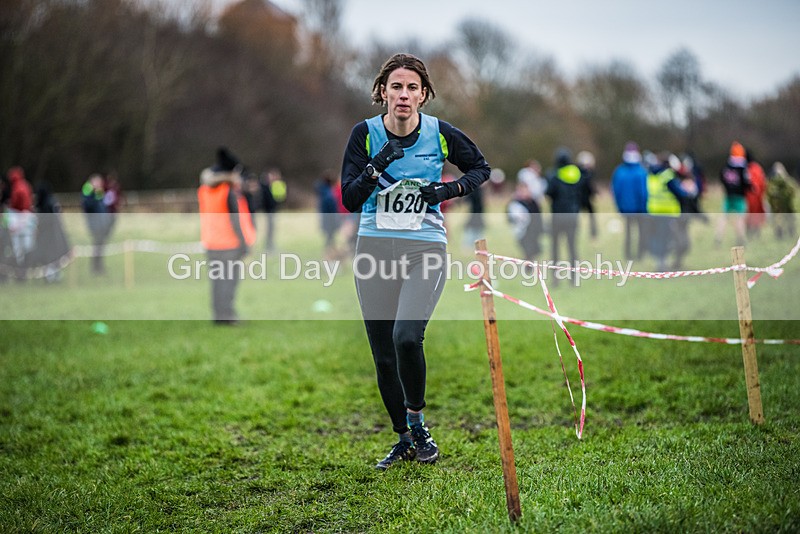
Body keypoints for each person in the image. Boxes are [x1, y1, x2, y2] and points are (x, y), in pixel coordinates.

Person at [340, 53, 490, 470]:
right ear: (382, 92)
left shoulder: (441, 133)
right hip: (374, 250)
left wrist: (447, 191)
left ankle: (419, 422)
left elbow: (482, 169)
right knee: (383, 354)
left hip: (424, 247)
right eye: (396, 86)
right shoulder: (364, 134)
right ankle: (404, 438)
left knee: (407, 336)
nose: (403, 95)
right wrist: (376, 167)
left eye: (412, 87)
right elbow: (350, 199)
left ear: (423, 95)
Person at [197, 147, 256, 325]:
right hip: (230, 243)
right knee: (229, 282)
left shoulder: (204, 190)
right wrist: (244, 243)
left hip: (211, 242)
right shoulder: (228, 190)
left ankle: (218, 315)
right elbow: (235, 220)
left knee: (217, 282)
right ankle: (228, 315)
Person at [645, 152, 695, 271]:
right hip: (668, 212)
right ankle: (664, 263)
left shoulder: (651, 175)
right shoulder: (667, 175)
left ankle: (661, 263)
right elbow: (680, 193)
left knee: (659, 238)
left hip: (654, 210)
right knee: (670, 239)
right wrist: (689, 192)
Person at [545, 147, 582, 286]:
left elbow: (549, 193)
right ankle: (574, 278)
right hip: (572, 216)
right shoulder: (576, 174)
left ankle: (555, 278)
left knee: (555, 248)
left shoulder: (554, 175)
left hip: (557, 216)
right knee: (572, 248)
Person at [611, 141, 649, 260]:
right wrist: (644, 208)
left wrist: (619, 206)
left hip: (626, 208)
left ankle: (629, 255)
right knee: (640, 232)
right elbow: (643, 192)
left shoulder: (619, 171)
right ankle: (639, 255)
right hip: (639, 209)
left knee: (629, 233)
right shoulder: (641, 171)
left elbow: (616, 191)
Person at [30, 181, 71, 282]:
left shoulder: (46, 203)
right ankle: (51, 275)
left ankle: (51, 276)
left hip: (49, 235)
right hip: (51, 235)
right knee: (49, 256)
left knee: (49, 256)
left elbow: (45, 220)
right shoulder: (51, 202)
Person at [715, 141, 751, 247]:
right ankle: (741, 239)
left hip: (728, 196)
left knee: (724, 217)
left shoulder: (727, 166)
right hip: (739, 197)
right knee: (740, 218)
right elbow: (747, 182)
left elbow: (722, 178)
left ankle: (718, 237)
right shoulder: (743, 167)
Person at [81, 174, 111, 274]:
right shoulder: (87, 191)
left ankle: (99, 267)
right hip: (95, 224)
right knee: (97, 246)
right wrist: (93, 193)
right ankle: (95, 268)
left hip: (101, 224)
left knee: (100, 246)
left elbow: (102, 205)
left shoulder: (99, 192)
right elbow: (88, 206)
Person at [507, 182, 543, 262]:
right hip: (523, 231)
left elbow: (538, 216)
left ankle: (530, 264)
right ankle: (528, 266)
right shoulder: (515, 204)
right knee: (527, 250)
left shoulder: (533, 202)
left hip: (533, 230)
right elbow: (510, 218)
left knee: (536, 250)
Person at [315, 169, 341, 260]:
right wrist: (337, 222)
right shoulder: (329, 195)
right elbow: (333, 211)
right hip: (330, 222)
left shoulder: (322, 192)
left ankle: (329, 257)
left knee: (329, 240)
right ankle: (329, 258)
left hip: (325, 221)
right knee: (330, 241)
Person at [767, 162, 796, 240]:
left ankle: (791, 233)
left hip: (788, 206)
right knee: (778, 221)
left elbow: (793, 191)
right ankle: (779, 235)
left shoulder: (788, 182)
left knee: (790, 220)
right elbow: (769, 194)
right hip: (777, 208)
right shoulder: (772, 183)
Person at [261, 168, 286, 253]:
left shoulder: (277, 185)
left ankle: (271, 246)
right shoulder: (265, 186)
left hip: (273, 210)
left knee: (272, 229)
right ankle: (269, 246)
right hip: (268, 210)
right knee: (269, 229)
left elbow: (281, 197)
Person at [745, 149, 767, 238]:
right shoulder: (757, 168)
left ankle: (751, 233)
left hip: (751, 197)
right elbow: (763, 183)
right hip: (757, 197)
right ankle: (755, 233)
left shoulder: (748, 169)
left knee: (749, 216)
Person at [576, 150, 598, 241]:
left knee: (592, 216)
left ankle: (593, 234)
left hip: (585, 199)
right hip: (581, 199)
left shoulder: (588, 174)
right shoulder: (581, 174)